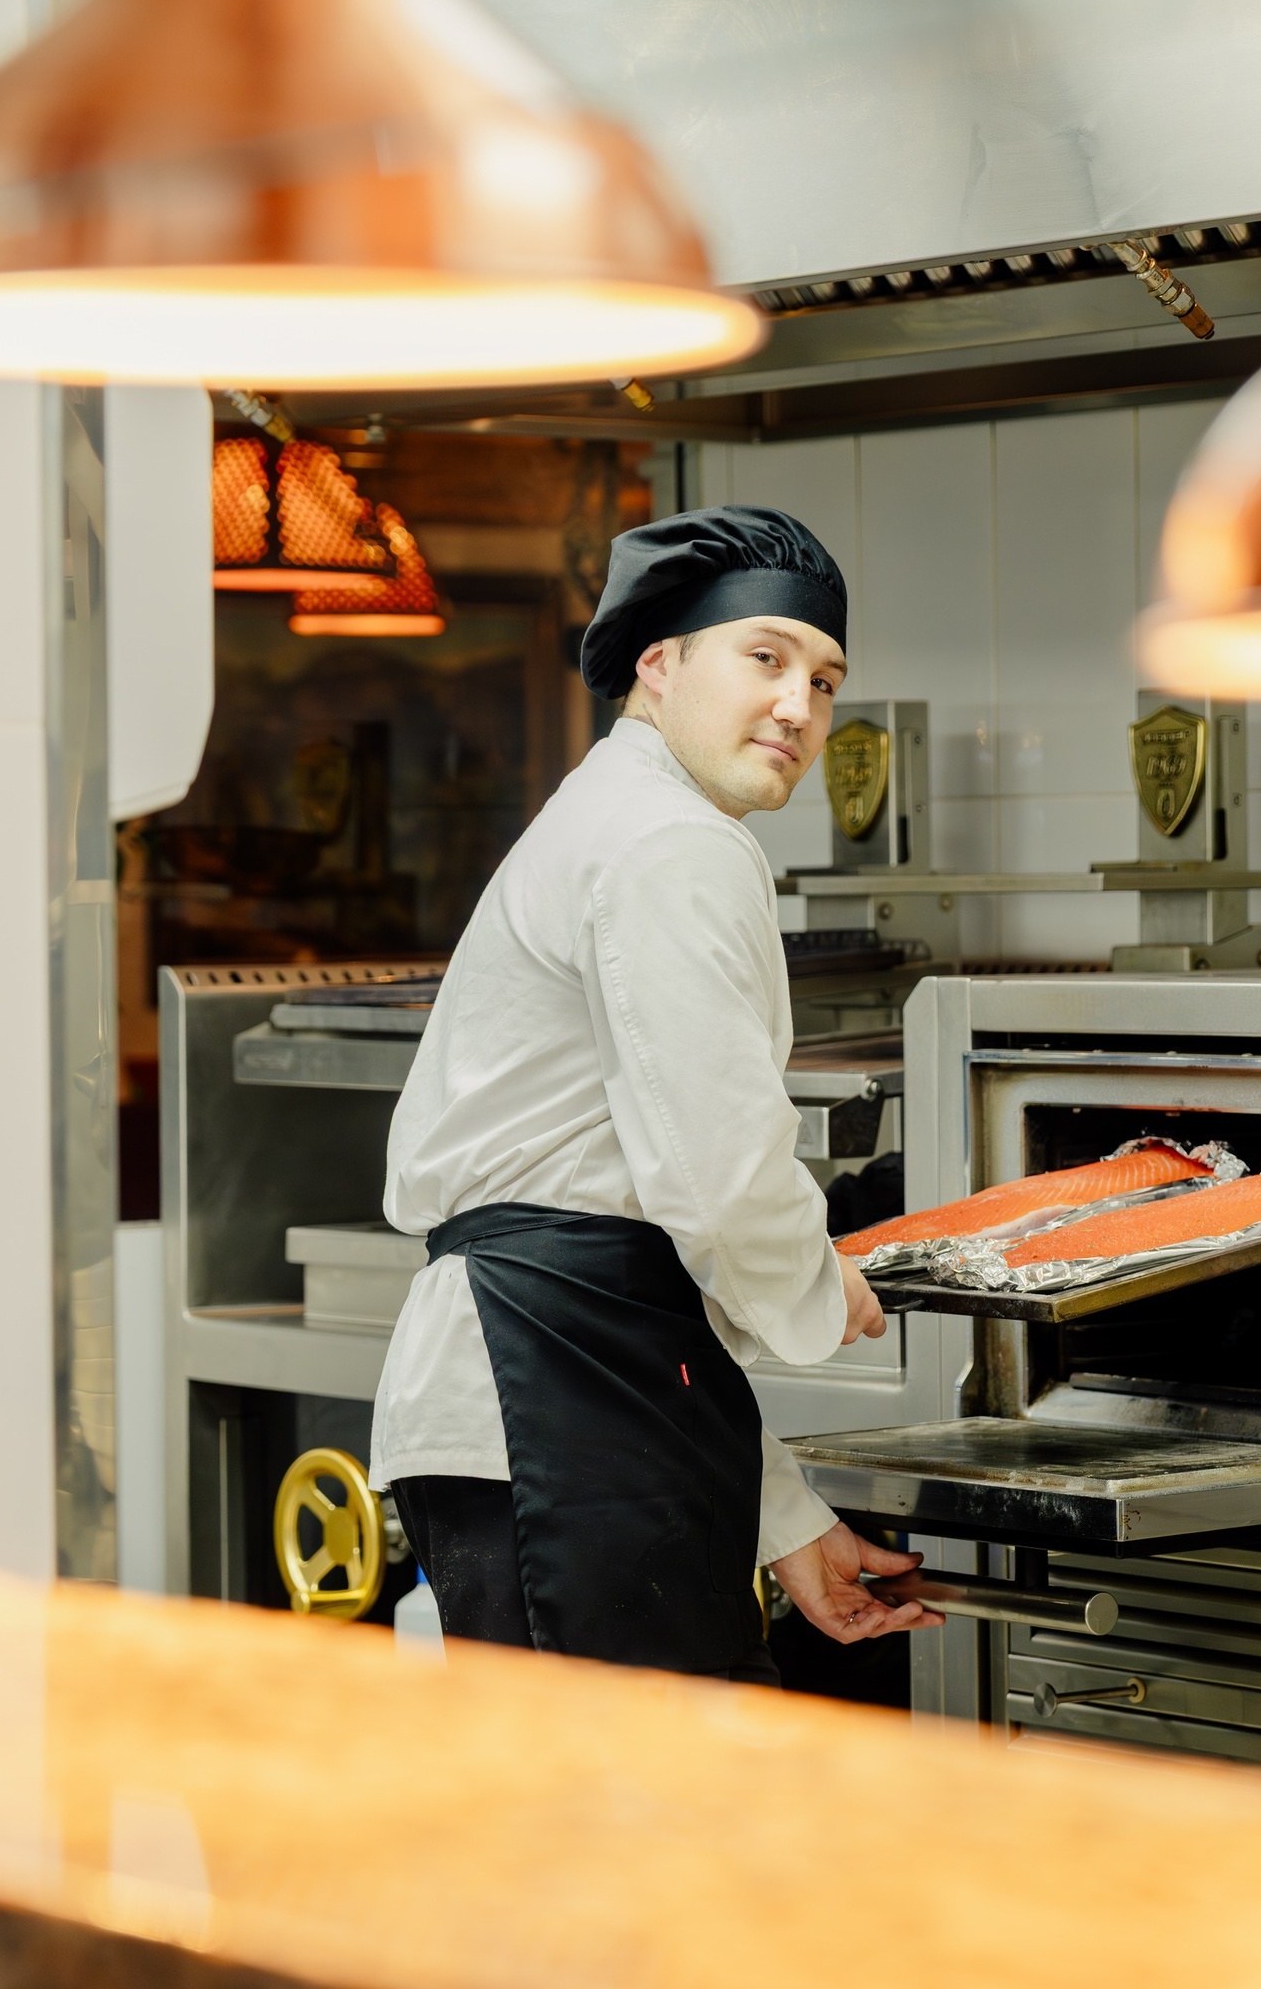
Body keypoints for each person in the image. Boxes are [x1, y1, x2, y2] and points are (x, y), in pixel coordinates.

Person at [371, 505, 936, 1680]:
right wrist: (824, 1290)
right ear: (661, 662)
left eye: (826, 681)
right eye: (766, 657)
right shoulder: (668, 842)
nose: (800, 707)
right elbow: (720, 1190)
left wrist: (783, 1522)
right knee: (629, 1837)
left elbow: (653, 1266)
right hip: (555, 1393)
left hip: (566, 1391)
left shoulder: (622, 816)